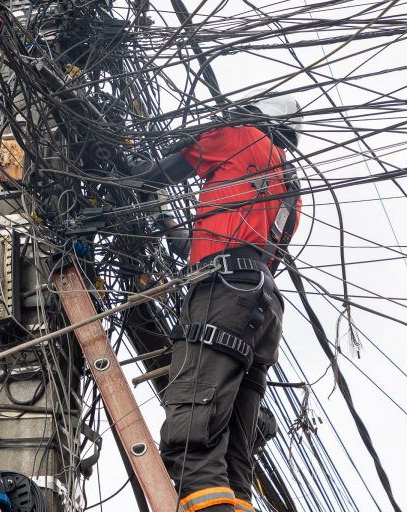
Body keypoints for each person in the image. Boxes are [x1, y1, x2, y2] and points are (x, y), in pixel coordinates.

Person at [129, 95, 303, 512]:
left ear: (256, 116)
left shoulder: (237, 136)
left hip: (222, 291)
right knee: (233, 457)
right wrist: (165, 220)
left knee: (193, 439)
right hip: (263, 305)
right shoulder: (292, 194)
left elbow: (153, 176)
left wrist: (118, 172)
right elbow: (231, 247)